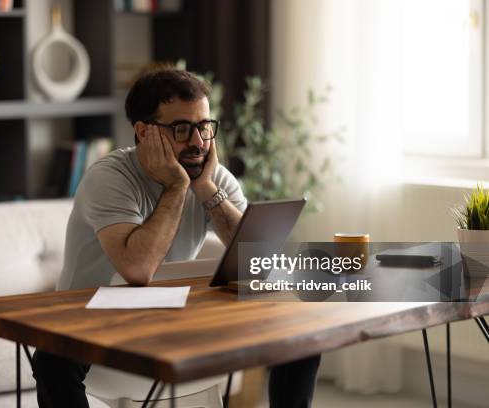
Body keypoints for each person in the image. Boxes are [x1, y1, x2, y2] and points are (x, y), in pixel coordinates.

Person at [32, 67, 321, 408]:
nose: (198, 142)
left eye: (204, 127)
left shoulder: (211, 177)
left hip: (175, 320)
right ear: (144, 132)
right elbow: (138, 270)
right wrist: (177, 186)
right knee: (52, 358)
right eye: (182, 129)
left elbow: (259, 260)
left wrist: (206, 190)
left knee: (301, 329)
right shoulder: (108, 179)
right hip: (92, 323)